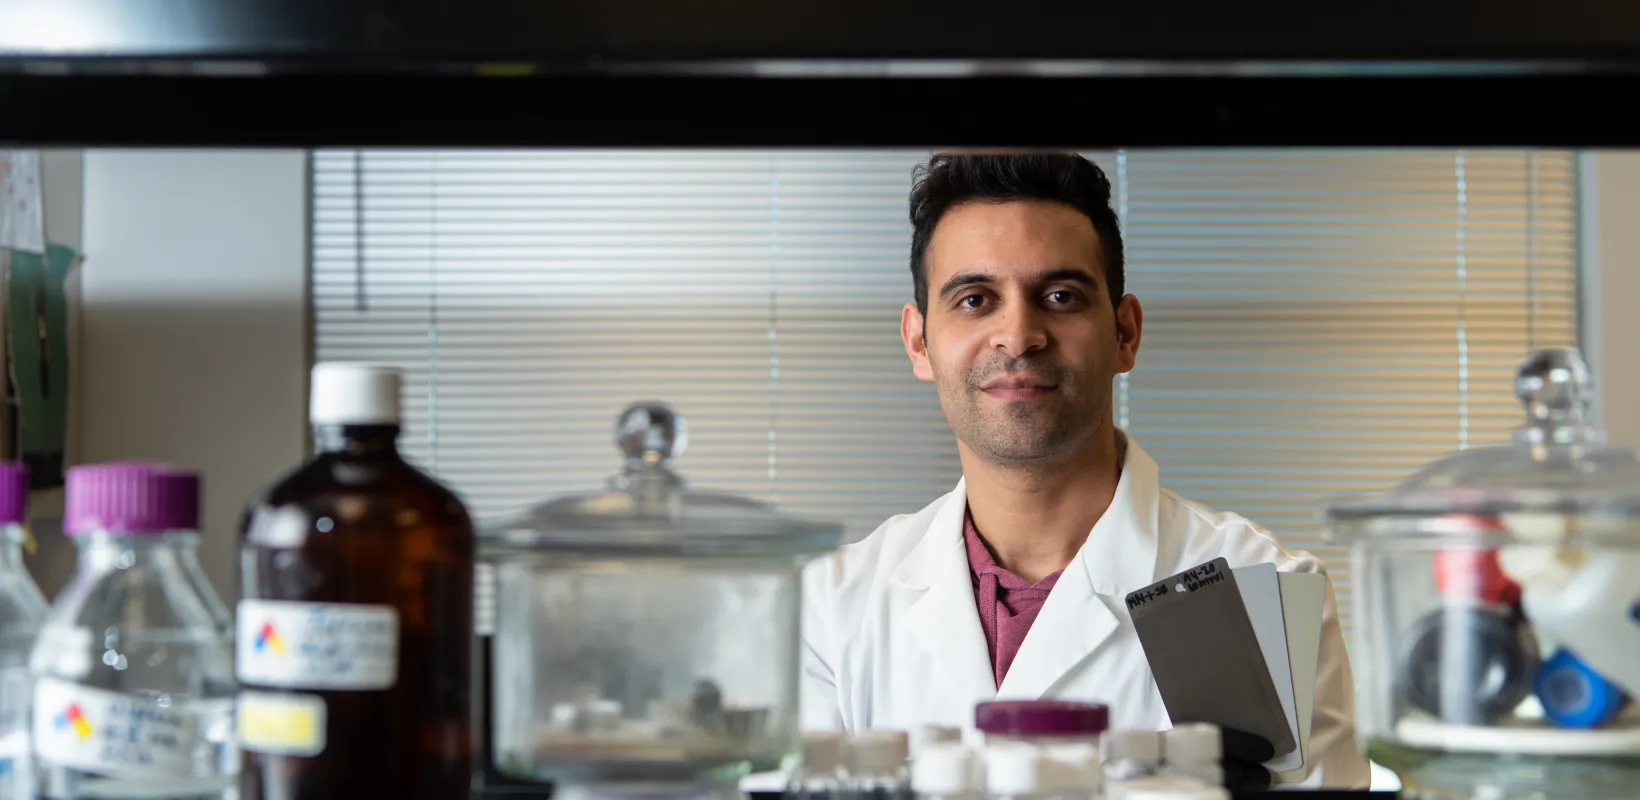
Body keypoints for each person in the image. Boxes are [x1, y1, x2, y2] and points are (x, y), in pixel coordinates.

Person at [798, 152, 1371, 789]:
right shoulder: (832, 606)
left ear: (1125, 333)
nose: (1018, 335)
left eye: (1060, 296)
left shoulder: (1261, 590)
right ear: (919, 342)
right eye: (974, 299)